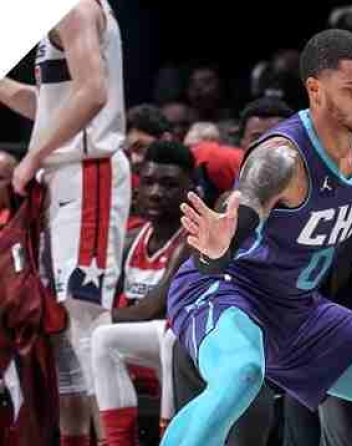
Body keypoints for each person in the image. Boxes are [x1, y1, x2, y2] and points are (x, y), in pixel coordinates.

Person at [163, 29, 352, 446]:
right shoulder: (282, 159)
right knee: (241, 375)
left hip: (296, 308)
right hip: (227, 290)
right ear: (315, 90)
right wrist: (216, 249)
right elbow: (239, 225)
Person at [0, 1, 129, 444]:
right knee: (65, 331)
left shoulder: (74, 8)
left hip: (88, 171)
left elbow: (92, 93)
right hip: (64, 176)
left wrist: (32, 157)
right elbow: (55, 106)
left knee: (89, 324)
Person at [90, 141, 194, 446]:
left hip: (181, 351)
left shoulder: (192, 239)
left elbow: (152, 309)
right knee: (91, 340)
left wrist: (91, 320)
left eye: (169, 184)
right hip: (138, 355)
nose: (156, 192)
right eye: (148, 182)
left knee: (163, 337)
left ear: (191, 188)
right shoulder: (130, 240)